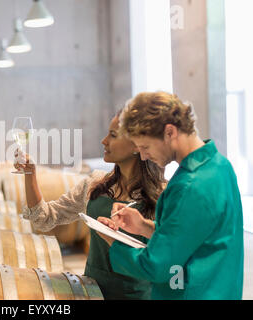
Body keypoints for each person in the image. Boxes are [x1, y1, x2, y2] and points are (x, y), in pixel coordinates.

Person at [97, 91, 244, 300]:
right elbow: (193, 234)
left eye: (145, 146)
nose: (143, 155)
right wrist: (143, 226)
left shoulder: (188, 186)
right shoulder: (220, 166)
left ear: (169, 132)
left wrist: (112, 241)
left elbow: (156, 266)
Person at [15, 110, 166, 300]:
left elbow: (170, 254)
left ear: (137, 145)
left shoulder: (164, 195)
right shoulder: (95, 183)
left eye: (112, 135)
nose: (104, 141)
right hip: (91, 292)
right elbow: (43, 218)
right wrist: (30, 175)